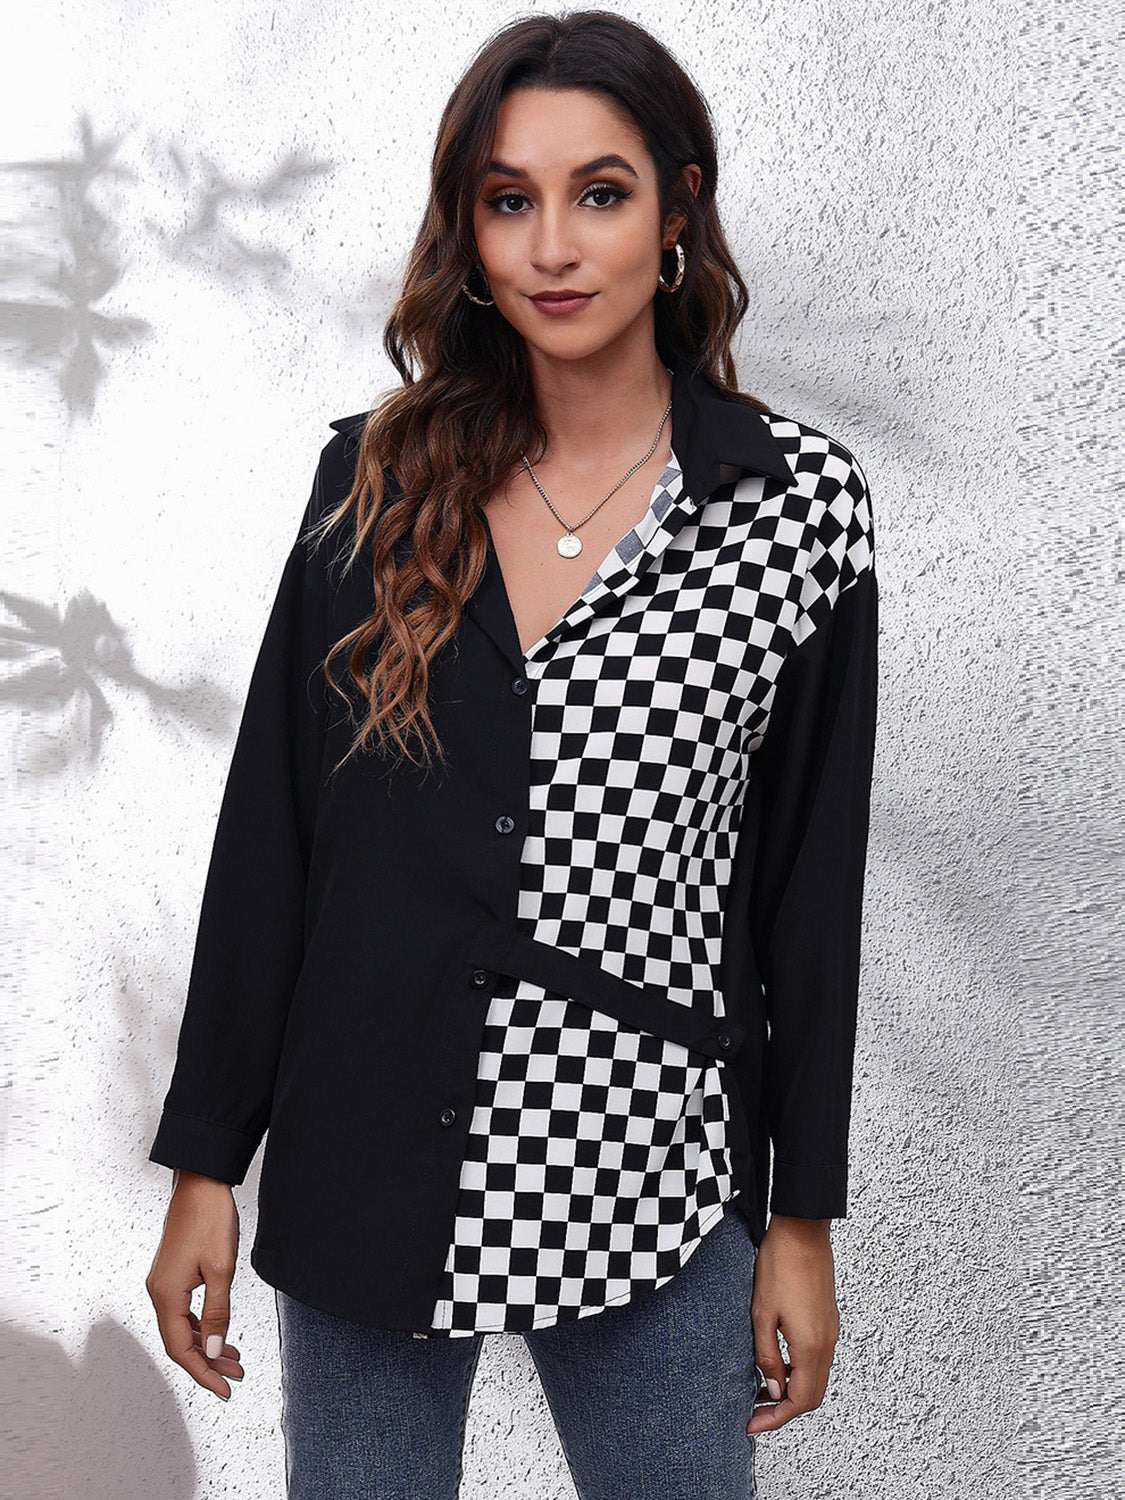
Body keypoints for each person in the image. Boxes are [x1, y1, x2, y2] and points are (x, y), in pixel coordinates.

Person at [145, 11, 879, 1498]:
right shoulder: (373, 482)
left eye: (599, 193)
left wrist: (799, 1221)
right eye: (507, 199)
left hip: (647, 1165)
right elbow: (273, 838)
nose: (553, 245)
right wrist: (206, 1164)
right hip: (368, 1150)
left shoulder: (797, 509)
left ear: (676, 211)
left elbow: (809, 892)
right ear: (468, 235)